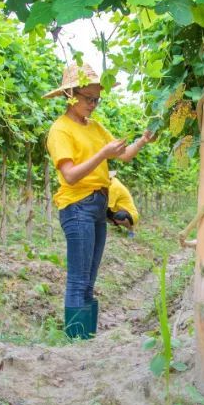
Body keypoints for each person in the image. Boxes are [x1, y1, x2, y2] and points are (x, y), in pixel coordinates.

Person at [44, 63, 153, 339]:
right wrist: (102, 154)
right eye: (88, 98)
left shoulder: (95, 127)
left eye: (97, 99)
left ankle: (86, 339)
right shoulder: (61, 131)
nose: (93, 105)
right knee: (78, 279)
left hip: (96, 206)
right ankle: (76, 341)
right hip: (77, 206)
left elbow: (123, 155)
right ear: (71, 95)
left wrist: (143, 140)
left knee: (89, 279)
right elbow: (69, 175)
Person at [107, 171, 139, 238]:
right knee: (106, 212)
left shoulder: (114, 187)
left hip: (130, 214)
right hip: (120, 210)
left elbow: (108, 205)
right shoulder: (113, 182)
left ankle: (131, 230)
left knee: (117, 216)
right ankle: (116, 228)